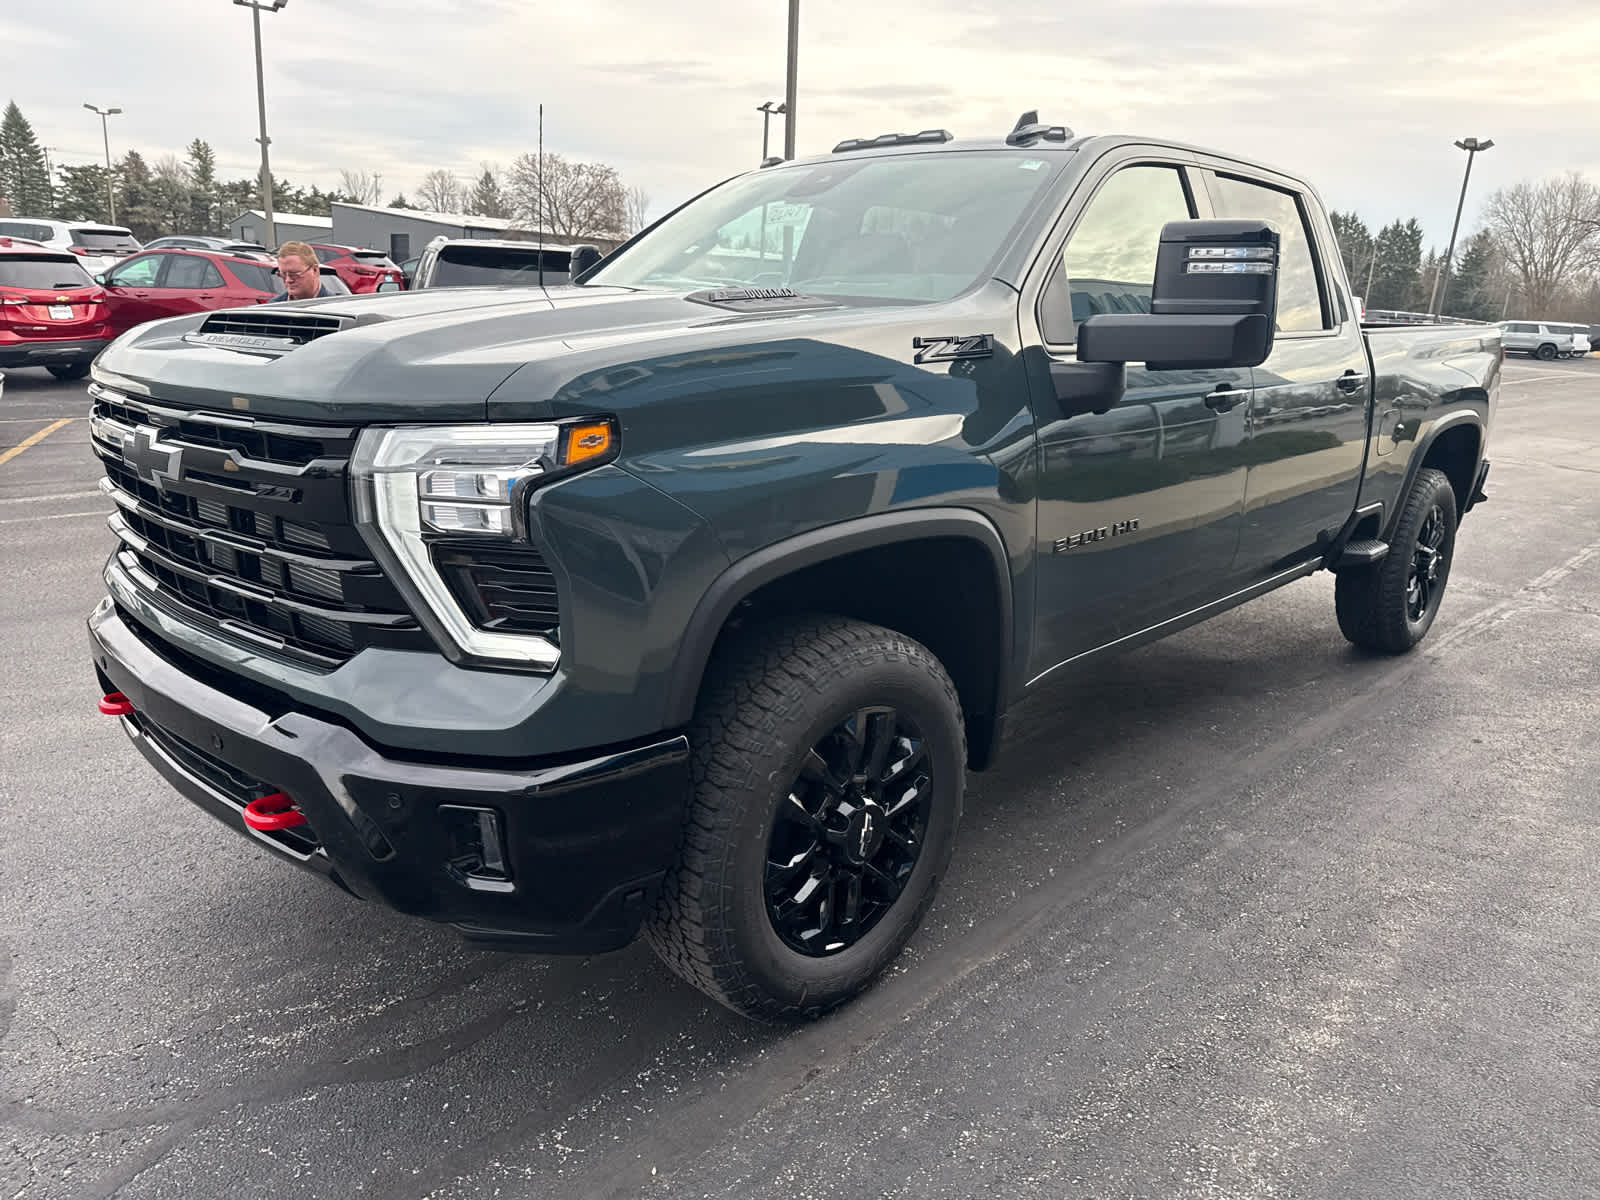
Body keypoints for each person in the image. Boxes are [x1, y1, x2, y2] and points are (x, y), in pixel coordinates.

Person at [267, 241, 337, 302]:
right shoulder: (274, 308)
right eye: (283, 274)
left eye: (294, 274)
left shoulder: (336, 308)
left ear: (315, 270)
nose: (288, 280)